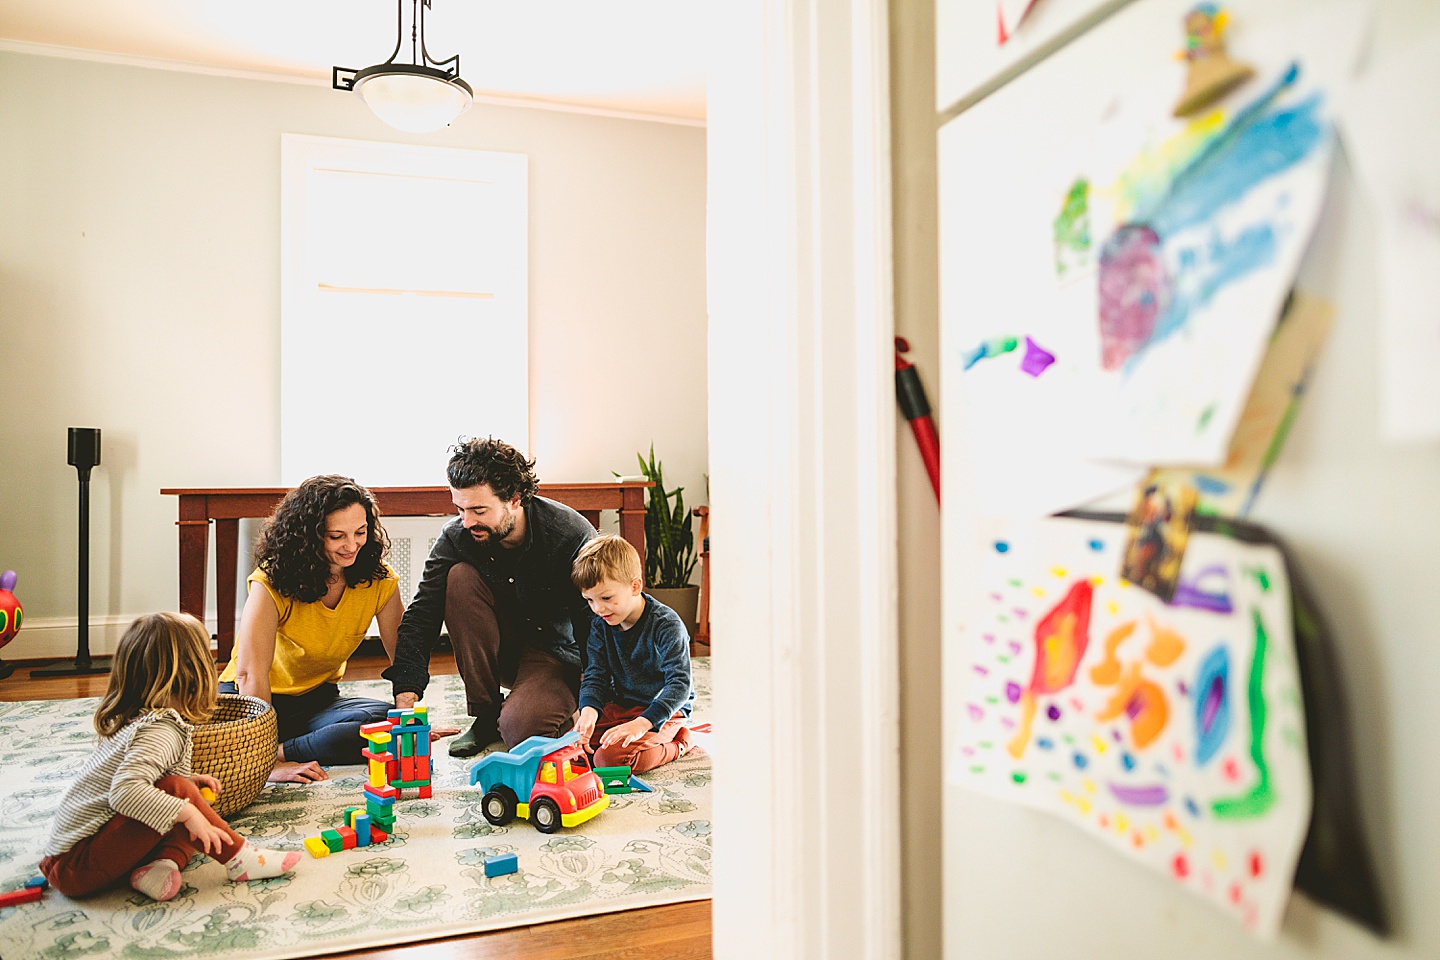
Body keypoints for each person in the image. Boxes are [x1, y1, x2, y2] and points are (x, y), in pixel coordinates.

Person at [40, 612, 301, 902]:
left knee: (186, 794)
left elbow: (146, 785)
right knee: (181, 798)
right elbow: (124, 792)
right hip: (76, 866)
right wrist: (186, 807)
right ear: (195, 674)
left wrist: (188, 785)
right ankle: (239, 857)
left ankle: (161, 866)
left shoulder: (144, 720)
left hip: (84, 857)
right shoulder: (159, 729)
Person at [220, 475, 457, 783]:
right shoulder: (270, 583)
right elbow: (250, 674)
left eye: (360, 532)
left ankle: (287, 747)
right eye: (337, 536)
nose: (351, 545)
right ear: (309, 536)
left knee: (385, 725)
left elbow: (403, 652)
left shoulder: (379, 580)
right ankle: (272, 751)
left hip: (319, 701)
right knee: (365, 736)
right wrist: (262, 758)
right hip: (254, 701)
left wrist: (406, 719)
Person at [385, 437, 598, 757]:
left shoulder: (569, 534)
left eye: (479, 510)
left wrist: (593, 699)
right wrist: (405, 693)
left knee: (521, 733)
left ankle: (547, 708)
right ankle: (485, 716)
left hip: (556, 655)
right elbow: (422, 613)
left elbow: (594, 624)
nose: (467, 521)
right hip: (501, 650)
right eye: (460, 509)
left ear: (514, 499)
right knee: (458, 578)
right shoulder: (458, 535)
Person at [571, 535, 694, 774]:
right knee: (572, 749)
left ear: (635, 586)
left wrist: (642, 723)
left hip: (664, 709)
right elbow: (595, 676)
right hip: (623, 705)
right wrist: (588, 713)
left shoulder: (667, 625)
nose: (598, 609)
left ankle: (680, 742)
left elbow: (680, 685)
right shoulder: (600, 624)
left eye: (606, 598)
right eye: (590, 600)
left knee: (609, 761)